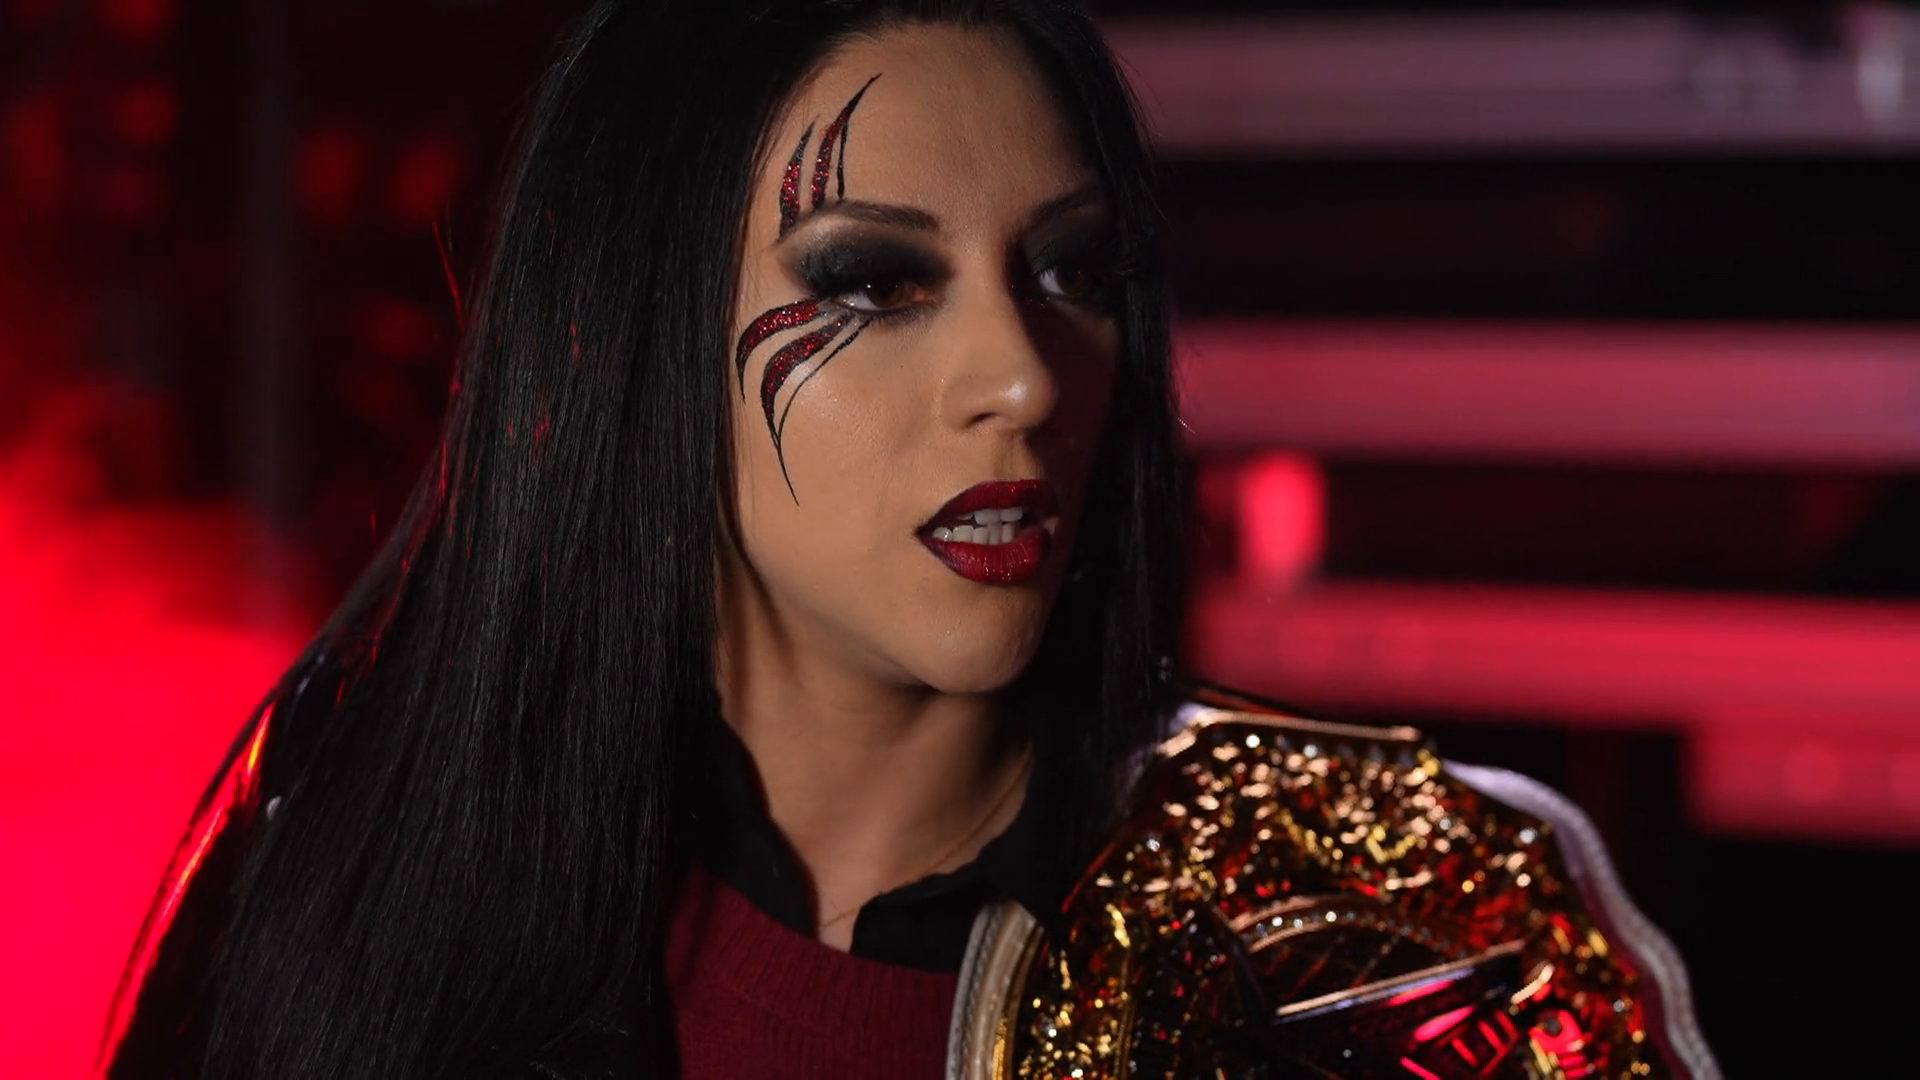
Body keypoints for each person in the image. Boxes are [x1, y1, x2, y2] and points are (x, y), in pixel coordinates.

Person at [103, 2, 1717, 1077]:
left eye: (1075, 272)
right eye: (874, 280)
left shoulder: (1385, 927)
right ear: (632, 338)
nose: (1026, 377)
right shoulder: (351, 861)